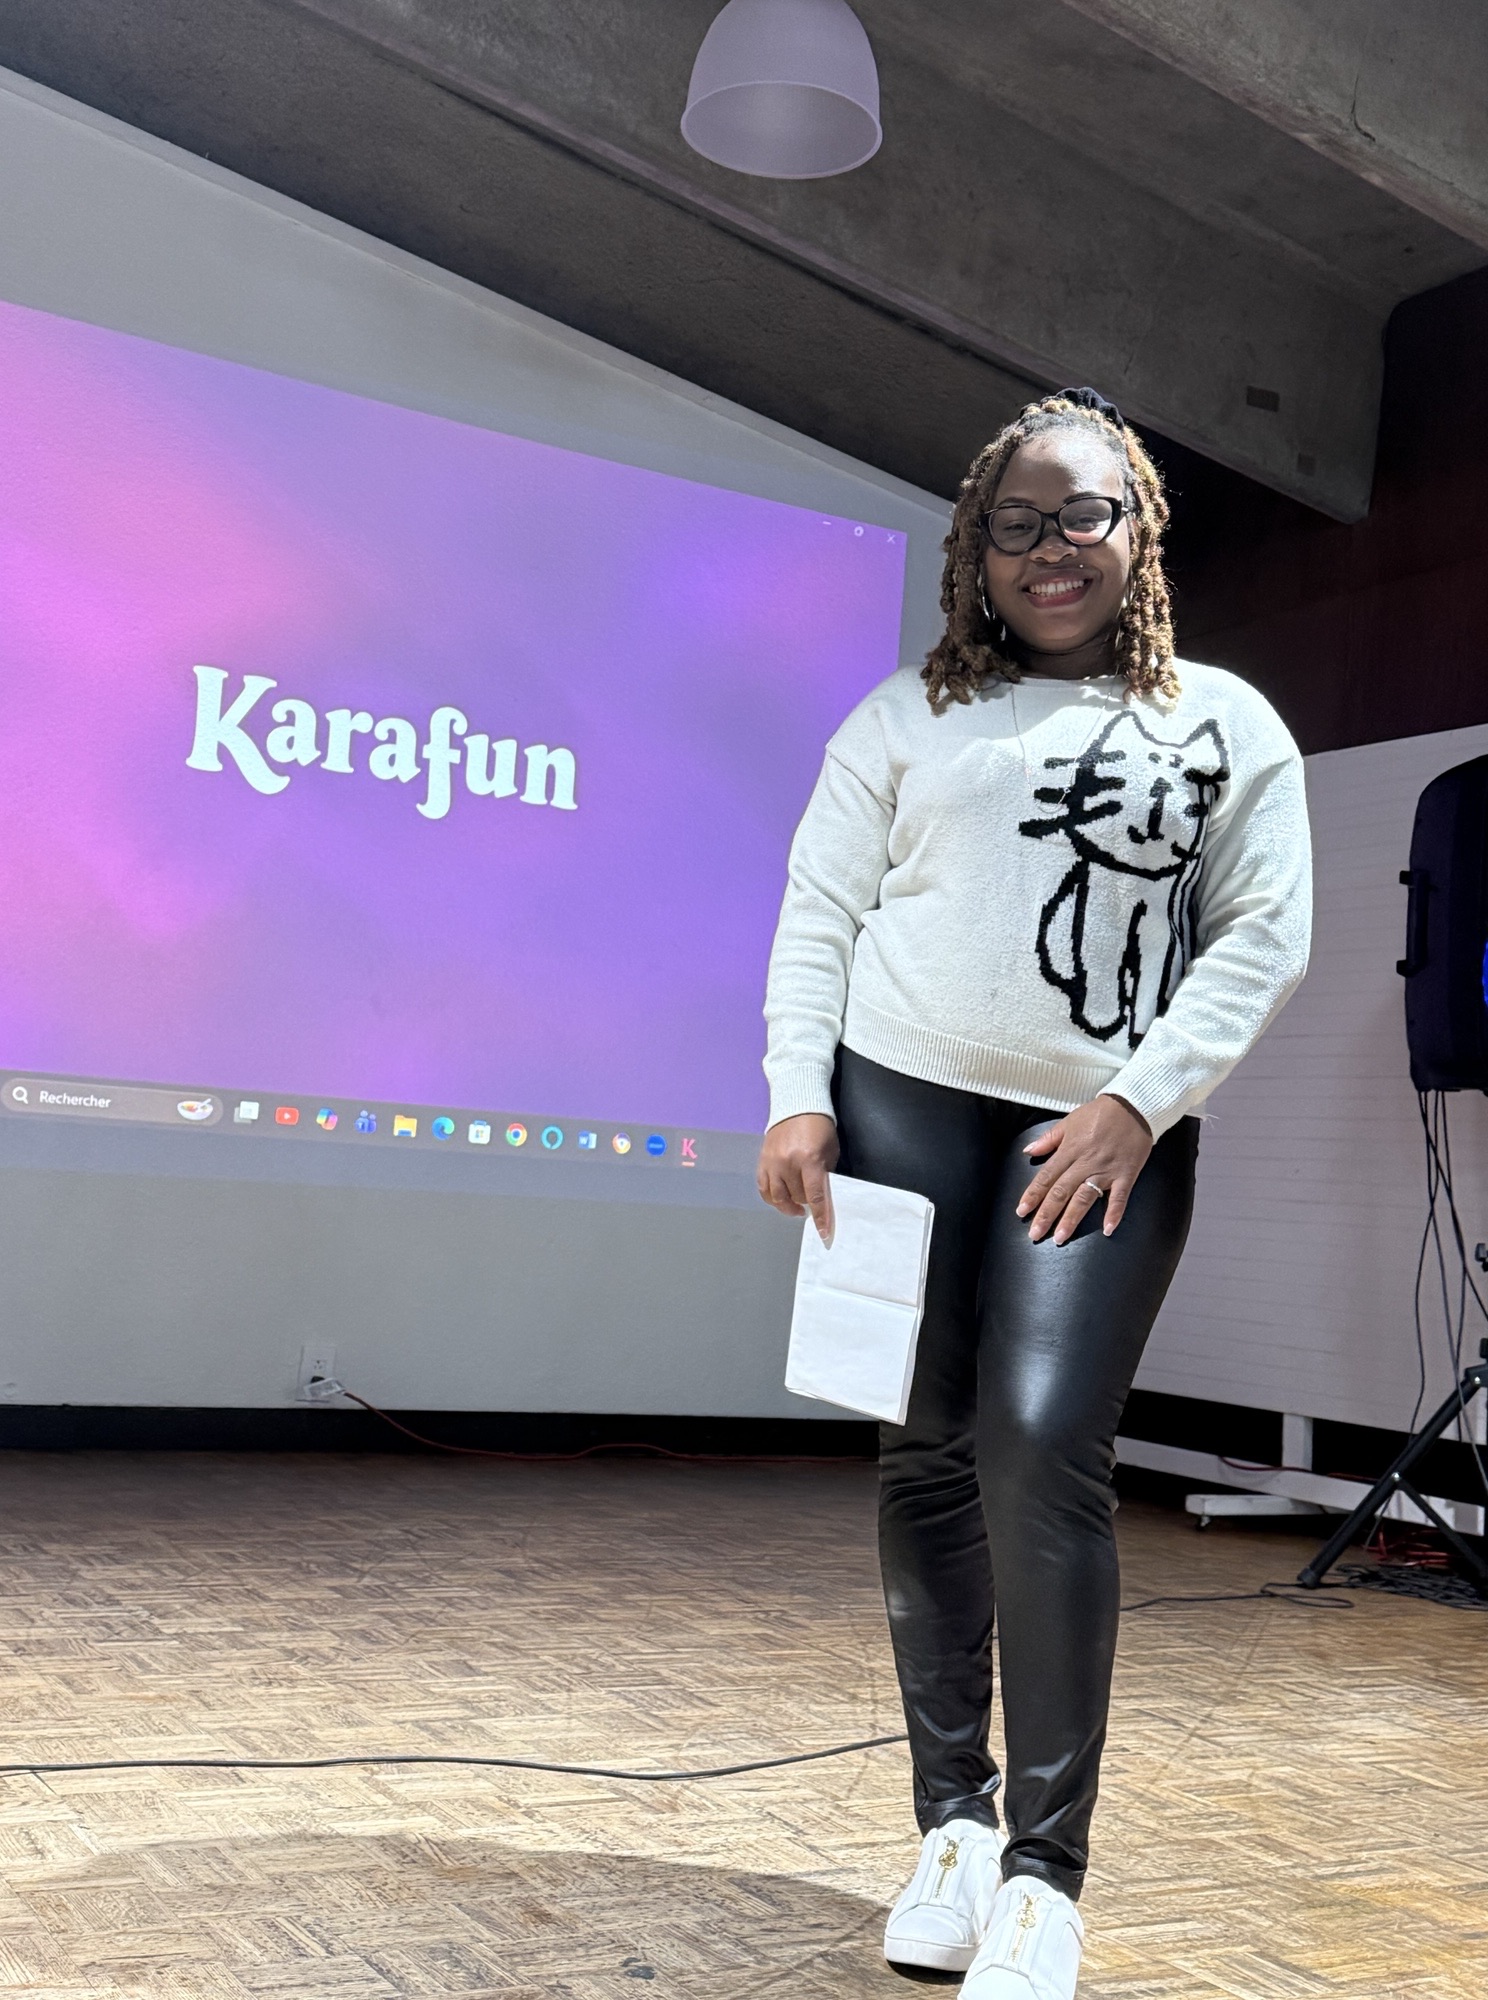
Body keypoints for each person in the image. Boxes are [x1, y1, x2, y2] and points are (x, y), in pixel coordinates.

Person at [757, 389, 1311, 2000]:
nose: (1050, 548)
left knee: (1044, 1446)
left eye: (1083, 515)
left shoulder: (1228, 724)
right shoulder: (903, 717)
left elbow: (1263, 935)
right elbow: (818, 911)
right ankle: (950, 1825)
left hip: (1099, 1131)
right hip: (899, 1101)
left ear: (1138, 529)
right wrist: (799, 1092)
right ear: (975, 551)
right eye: (1017, 523)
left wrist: (1139, 1103)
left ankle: (1044, 1879)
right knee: (926, 1450)